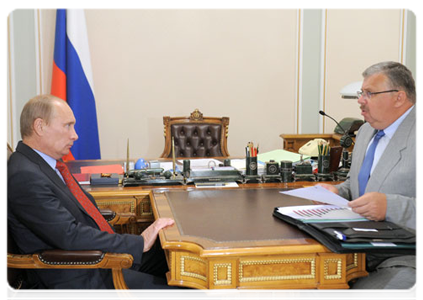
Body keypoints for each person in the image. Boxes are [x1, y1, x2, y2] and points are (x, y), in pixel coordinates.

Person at [6, 94, 191, 300]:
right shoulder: (25, 176)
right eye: (67, 126)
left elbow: (80, 214)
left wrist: (138, 242)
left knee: (180, 261)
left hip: (96, 257)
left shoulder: (48, 165)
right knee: (182, 295)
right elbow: (70, 235)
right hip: (80, 275)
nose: (75, 135)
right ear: (39, 127)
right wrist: (138, 242)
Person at [319, 61, 419, 300]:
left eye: (369, 93)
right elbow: (360, 187)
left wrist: (390, 207)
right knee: (309, 283)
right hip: (358, 248)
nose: (361, 100)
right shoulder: (365, 132)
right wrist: (336, 192)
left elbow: (382, 200)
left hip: (409, 256)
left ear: (399, 97)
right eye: (361, 93)